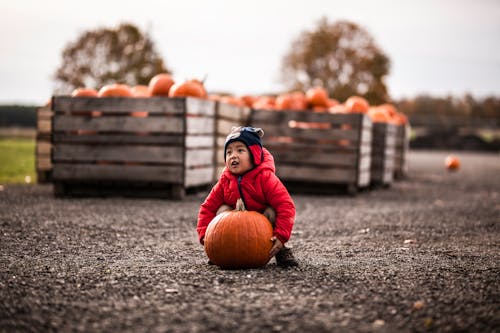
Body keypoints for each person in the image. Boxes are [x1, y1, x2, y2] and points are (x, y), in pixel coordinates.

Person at [197, 126, 298, 267]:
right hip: (236, 224)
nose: (233, 155)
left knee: (272, 211)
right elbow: (207, 207)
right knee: (221, 210)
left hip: (262, 227)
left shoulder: (265, 178)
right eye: (229, 151)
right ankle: (222, 251)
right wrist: (205, 236)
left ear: (254, 155)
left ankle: (280, 250)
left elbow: (285, 205)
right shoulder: (225, 181)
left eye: (240, 150)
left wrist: (281, 235)